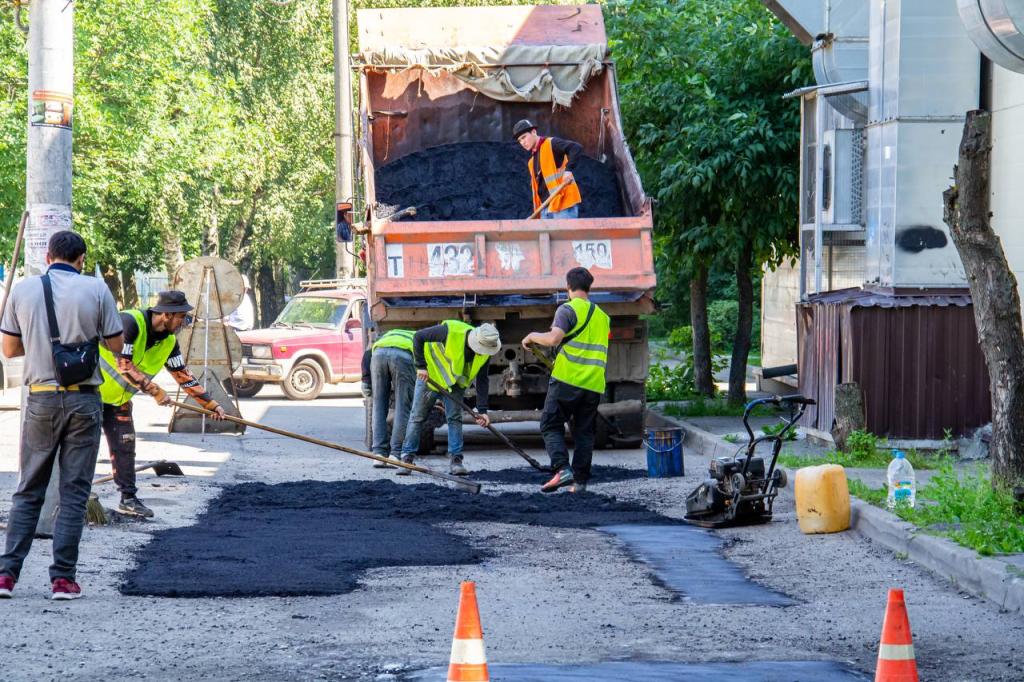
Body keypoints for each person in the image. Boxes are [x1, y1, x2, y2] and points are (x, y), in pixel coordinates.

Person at [0, 231, 125, 600]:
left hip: (40, 399)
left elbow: (8, 349)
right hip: (85, 401)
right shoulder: (97, 289)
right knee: (73, 493)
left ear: (48, 256)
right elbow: (116, 343)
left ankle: (6, 577)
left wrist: (40, 341)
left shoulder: (22, 290)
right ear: (81, 259)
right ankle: (62, 581)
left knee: (28, 489)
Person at [98, 291, 227, 518]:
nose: (184, 323)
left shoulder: (168, 342)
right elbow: (124, 365)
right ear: (167, 315)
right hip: (89, 394)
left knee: (125, 445)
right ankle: (69, 500)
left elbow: (183, 375)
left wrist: (211, 405)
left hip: (119, 401)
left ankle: (128, 499)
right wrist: (155, 391)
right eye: (182, 317)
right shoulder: (129, 323)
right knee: (83, 449)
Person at [522, 267, 609, 494]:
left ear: (568, 287)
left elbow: (553, 339)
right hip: (593, 383)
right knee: (584, 432)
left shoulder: (567, 309)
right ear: (589, 287)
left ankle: (562, 469)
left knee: (550, 424)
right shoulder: (603, 316)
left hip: (567, 379)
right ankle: (579, 483)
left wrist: (531, 336)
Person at [397, 322, 500, 476]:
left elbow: (482, 380)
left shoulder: (487, 350)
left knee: (455, 419)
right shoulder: (449, 332)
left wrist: (483, 410)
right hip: (430, 379)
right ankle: (407, 459)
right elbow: (419, 337)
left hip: (455, 384)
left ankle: (456, 461)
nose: (482, 352)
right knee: (417, 417)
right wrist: (421, 366)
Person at [360, 328, 417, 468]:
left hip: (378, 356)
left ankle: (378, 454)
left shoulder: (386, 336)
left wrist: (365, 380)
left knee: (378, 406)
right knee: (403, 408)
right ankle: (395, 455)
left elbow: (368, 354)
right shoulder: (421, 339)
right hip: (403, 357)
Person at [512, 119, 583, 219]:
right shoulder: (531, 162)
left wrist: (568, 170)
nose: (522, 142)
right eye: (520, 140)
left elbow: (576, 148)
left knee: (562, 235)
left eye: (524, 137)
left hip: (563, 204)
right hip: (545, 209)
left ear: (534, 132)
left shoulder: (551, 144)